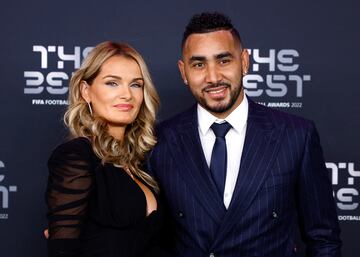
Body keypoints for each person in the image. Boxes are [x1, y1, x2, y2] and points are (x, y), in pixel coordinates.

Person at [147, 12, 342, 257]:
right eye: (199, 64)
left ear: (245, 61)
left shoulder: (296, 136)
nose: (213, 77)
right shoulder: (160, 141)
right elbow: (152, 243)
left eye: (224, 60)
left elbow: (323, 239)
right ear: (184, 72)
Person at [45, 41, 169, 257]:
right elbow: (62, 250)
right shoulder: (77, 156)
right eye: (112, 83)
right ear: (86, 91)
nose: (127, 95)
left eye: (136, 85)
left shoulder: (141, 164)